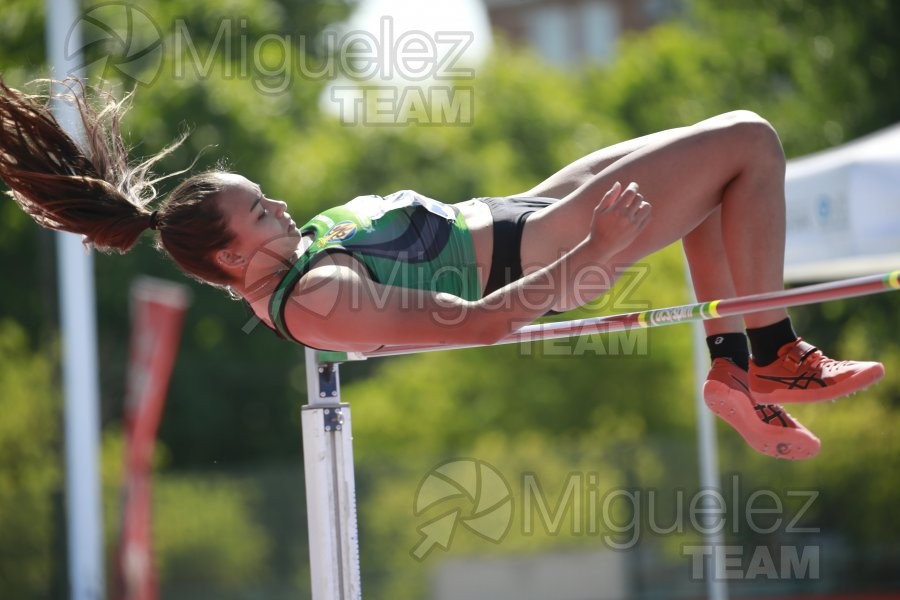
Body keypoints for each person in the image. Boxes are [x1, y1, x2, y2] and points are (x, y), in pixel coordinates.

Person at [0, 78, 885, 460]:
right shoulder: (317, 299)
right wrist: (598, 255)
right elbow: (491, 322)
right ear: (235, 255)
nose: (279, 205)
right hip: (542, 241)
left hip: (523, 207)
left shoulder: (295, 262)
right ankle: (770, 350)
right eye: (262, 209)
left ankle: (735, 362)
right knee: (750, 144)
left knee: (716, 181)